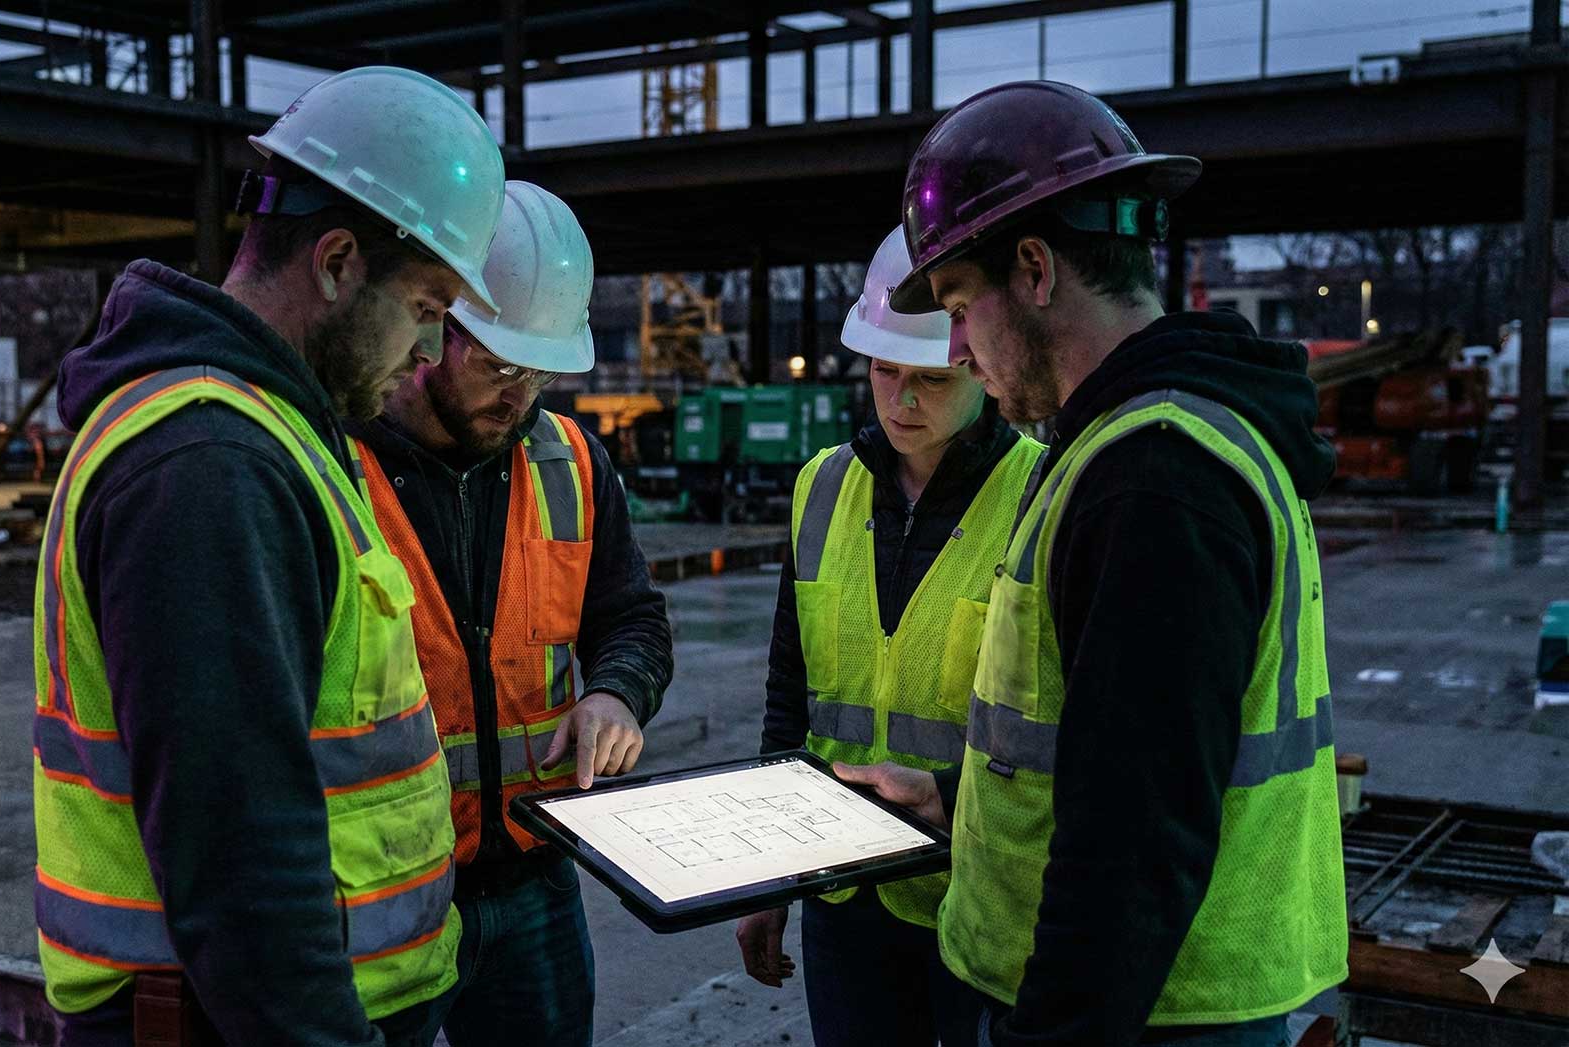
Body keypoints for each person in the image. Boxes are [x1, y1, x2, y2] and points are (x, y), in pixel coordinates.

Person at [841, 80, 1345, 1047]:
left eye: (956, 302)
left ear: (1034, 268)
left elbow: (1135, 846)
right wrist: (955, 800)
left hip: (1156, 1017)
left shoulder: (1152, 477)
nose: (954, 348)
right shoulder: (1141, 445)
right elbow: (1115, 752)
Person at [29, 66, 506, 1047]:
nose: (427, 353)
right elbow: (243, 866)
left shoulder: (271, 436)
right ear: (337, 261)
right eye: (424, 306)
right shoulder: (212, 465)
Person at [345, 180, 673, 1047]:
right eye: (498, 365)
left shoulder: (571, 462)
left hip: (535, 881)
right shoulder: (338, 468)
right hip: (385, 896)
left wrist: (617, 693)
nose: (520, 394)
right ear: (433, 328)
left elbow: (632, 616)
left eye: (540, 370)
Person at [734, 225, 1044, 1047]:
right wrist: (770, 876)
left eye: (931, 379)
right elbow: (788, 694)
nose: (902, 401)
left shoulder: (1039, 495)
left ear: (980, 366)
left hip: (969, 892)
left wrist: (948, 792)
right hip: (842, 893)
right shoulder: (821, 486)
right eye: (883, 372)